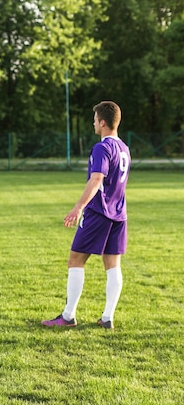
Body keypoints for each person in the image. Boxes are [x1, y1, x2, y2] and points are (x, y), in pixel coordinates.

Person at [42, 101, 130, 330]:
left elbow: (97, 179)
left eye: (94, 120)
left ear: (102, 122)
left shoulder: (102, 147)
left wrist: (79, 206)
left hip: (99, 211)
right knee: (112, 265)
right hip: (119, 214)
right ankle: (107, 317)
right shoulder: (124, 148)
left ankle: (68, 316)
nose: (93, 123)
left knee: (76, 260)